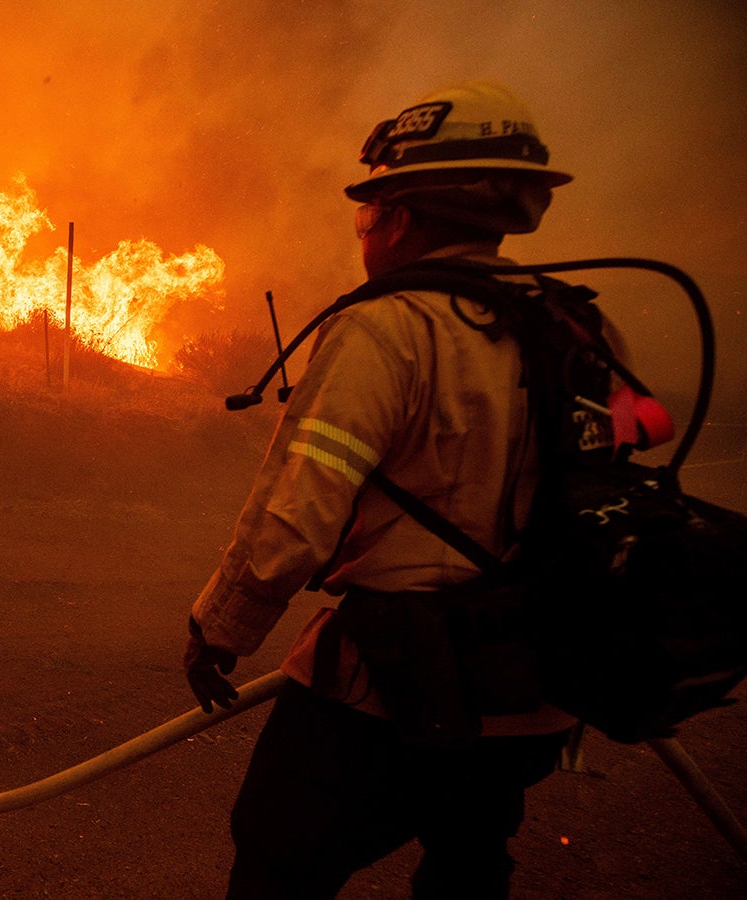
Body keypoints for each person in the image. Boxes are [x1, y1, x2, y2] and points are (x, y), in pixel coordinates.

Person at [182, 81, 583, 898]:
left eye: (367, 217)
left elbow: (298, 512)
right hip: (533, 689)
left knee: (276, 857)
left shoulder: (386, 327)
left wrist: (220, 627)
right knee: (469, 862)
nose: (364, 237)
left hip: (392, 688)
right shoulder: (571, 323)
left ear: (399, 217)